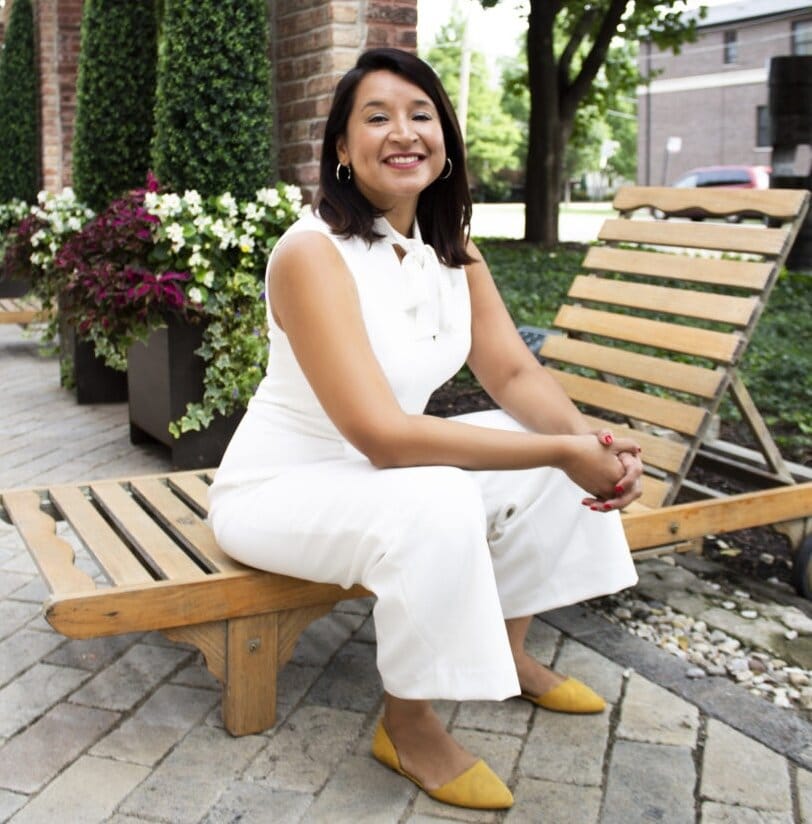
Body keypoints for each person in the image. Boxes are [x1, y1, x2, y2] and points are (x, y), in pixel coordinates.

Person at [208, 47, 642, 811]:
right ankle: (407, 727)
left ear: (445, 140)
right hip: (283, 489)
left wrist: (591, 448)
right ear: (341, 150)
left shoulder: (453, 251)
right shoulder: (312, 254)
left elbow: (513, 375)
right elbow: (383, 435)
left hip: (375, 478)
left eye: (421, 114)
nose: (402, 132)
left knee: (537, 453)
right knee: (443, 495)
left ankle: (508, 660)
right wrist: (565, 450)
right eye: (375, 118)